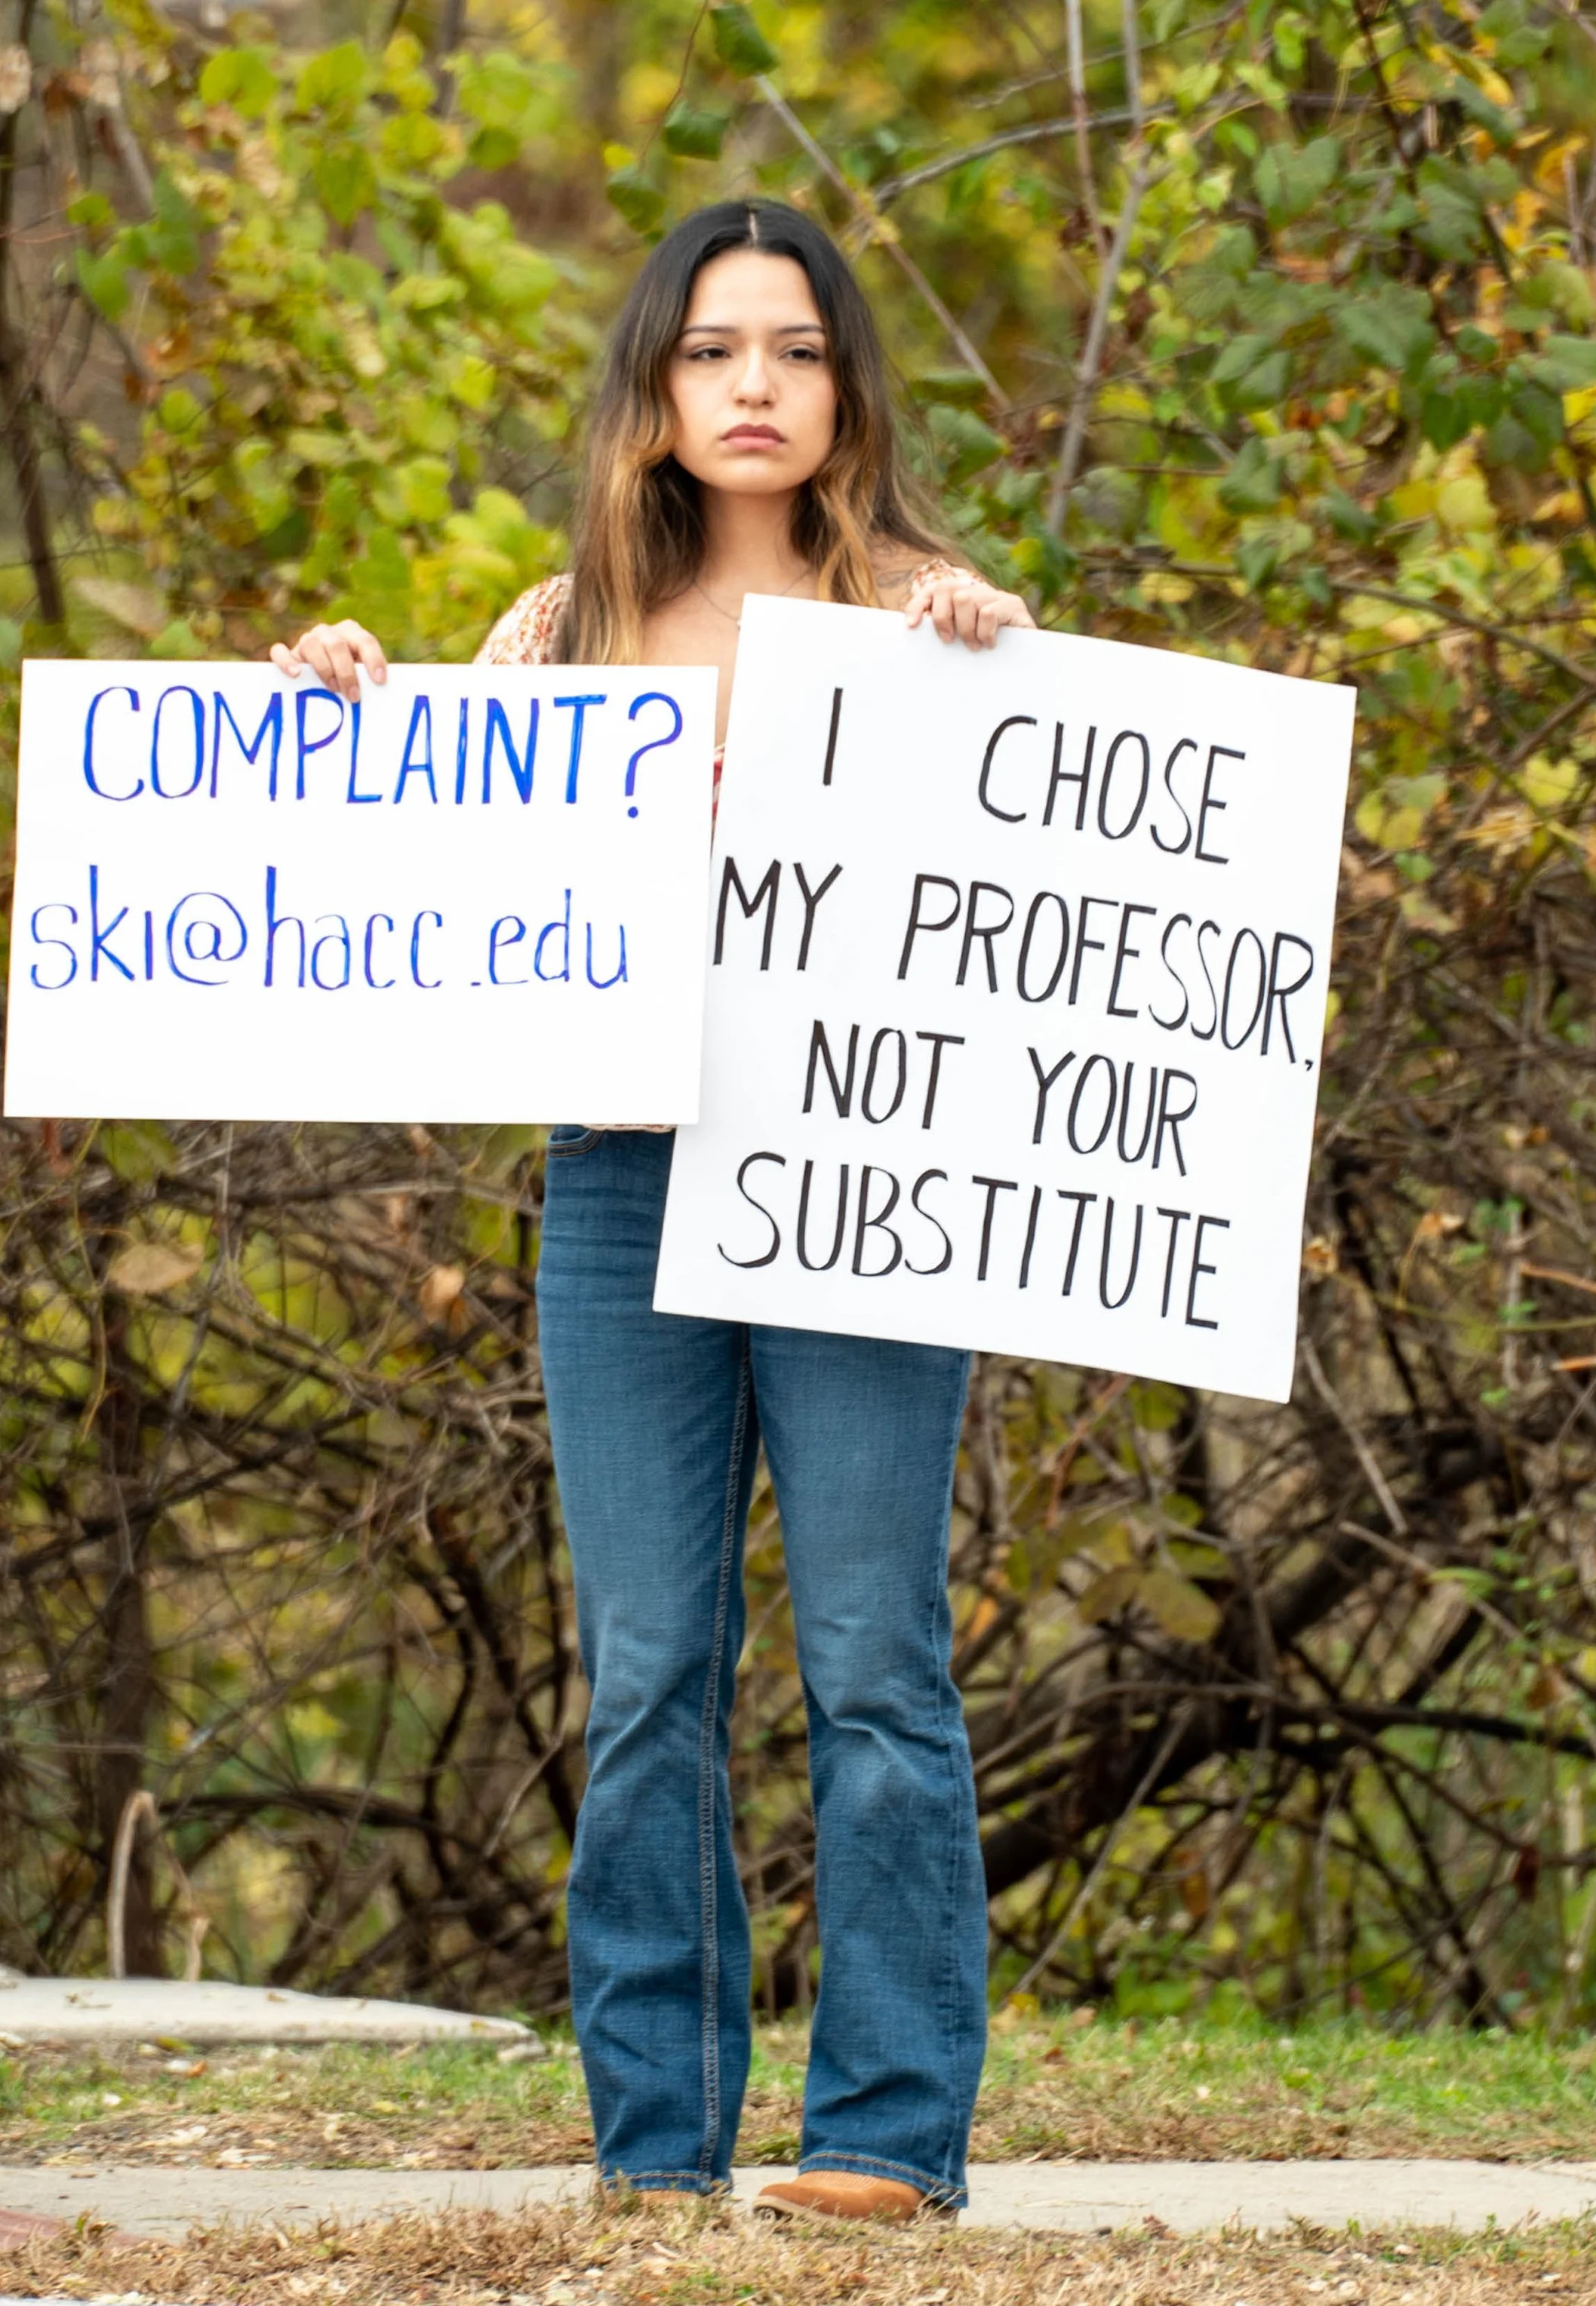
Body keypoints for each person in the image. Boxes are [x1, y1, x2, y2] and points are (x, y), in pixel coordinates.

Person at [274, 199, 1034, 2224]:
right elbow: (433, 872)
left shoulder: (943, 628)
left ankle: (882, 2137)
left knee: (876, 1660)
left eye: (792, 350)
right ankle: (657, 2138)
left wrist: (1003, 667)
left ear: (845, 386)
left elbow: (1038, 913)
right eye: (714, 353)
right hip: (620, 1185)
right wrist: (341, 709)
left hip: (860, 1182)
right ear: (657, 392)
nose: (756, 387)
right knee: (649, 1670)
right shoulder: (558, 634)